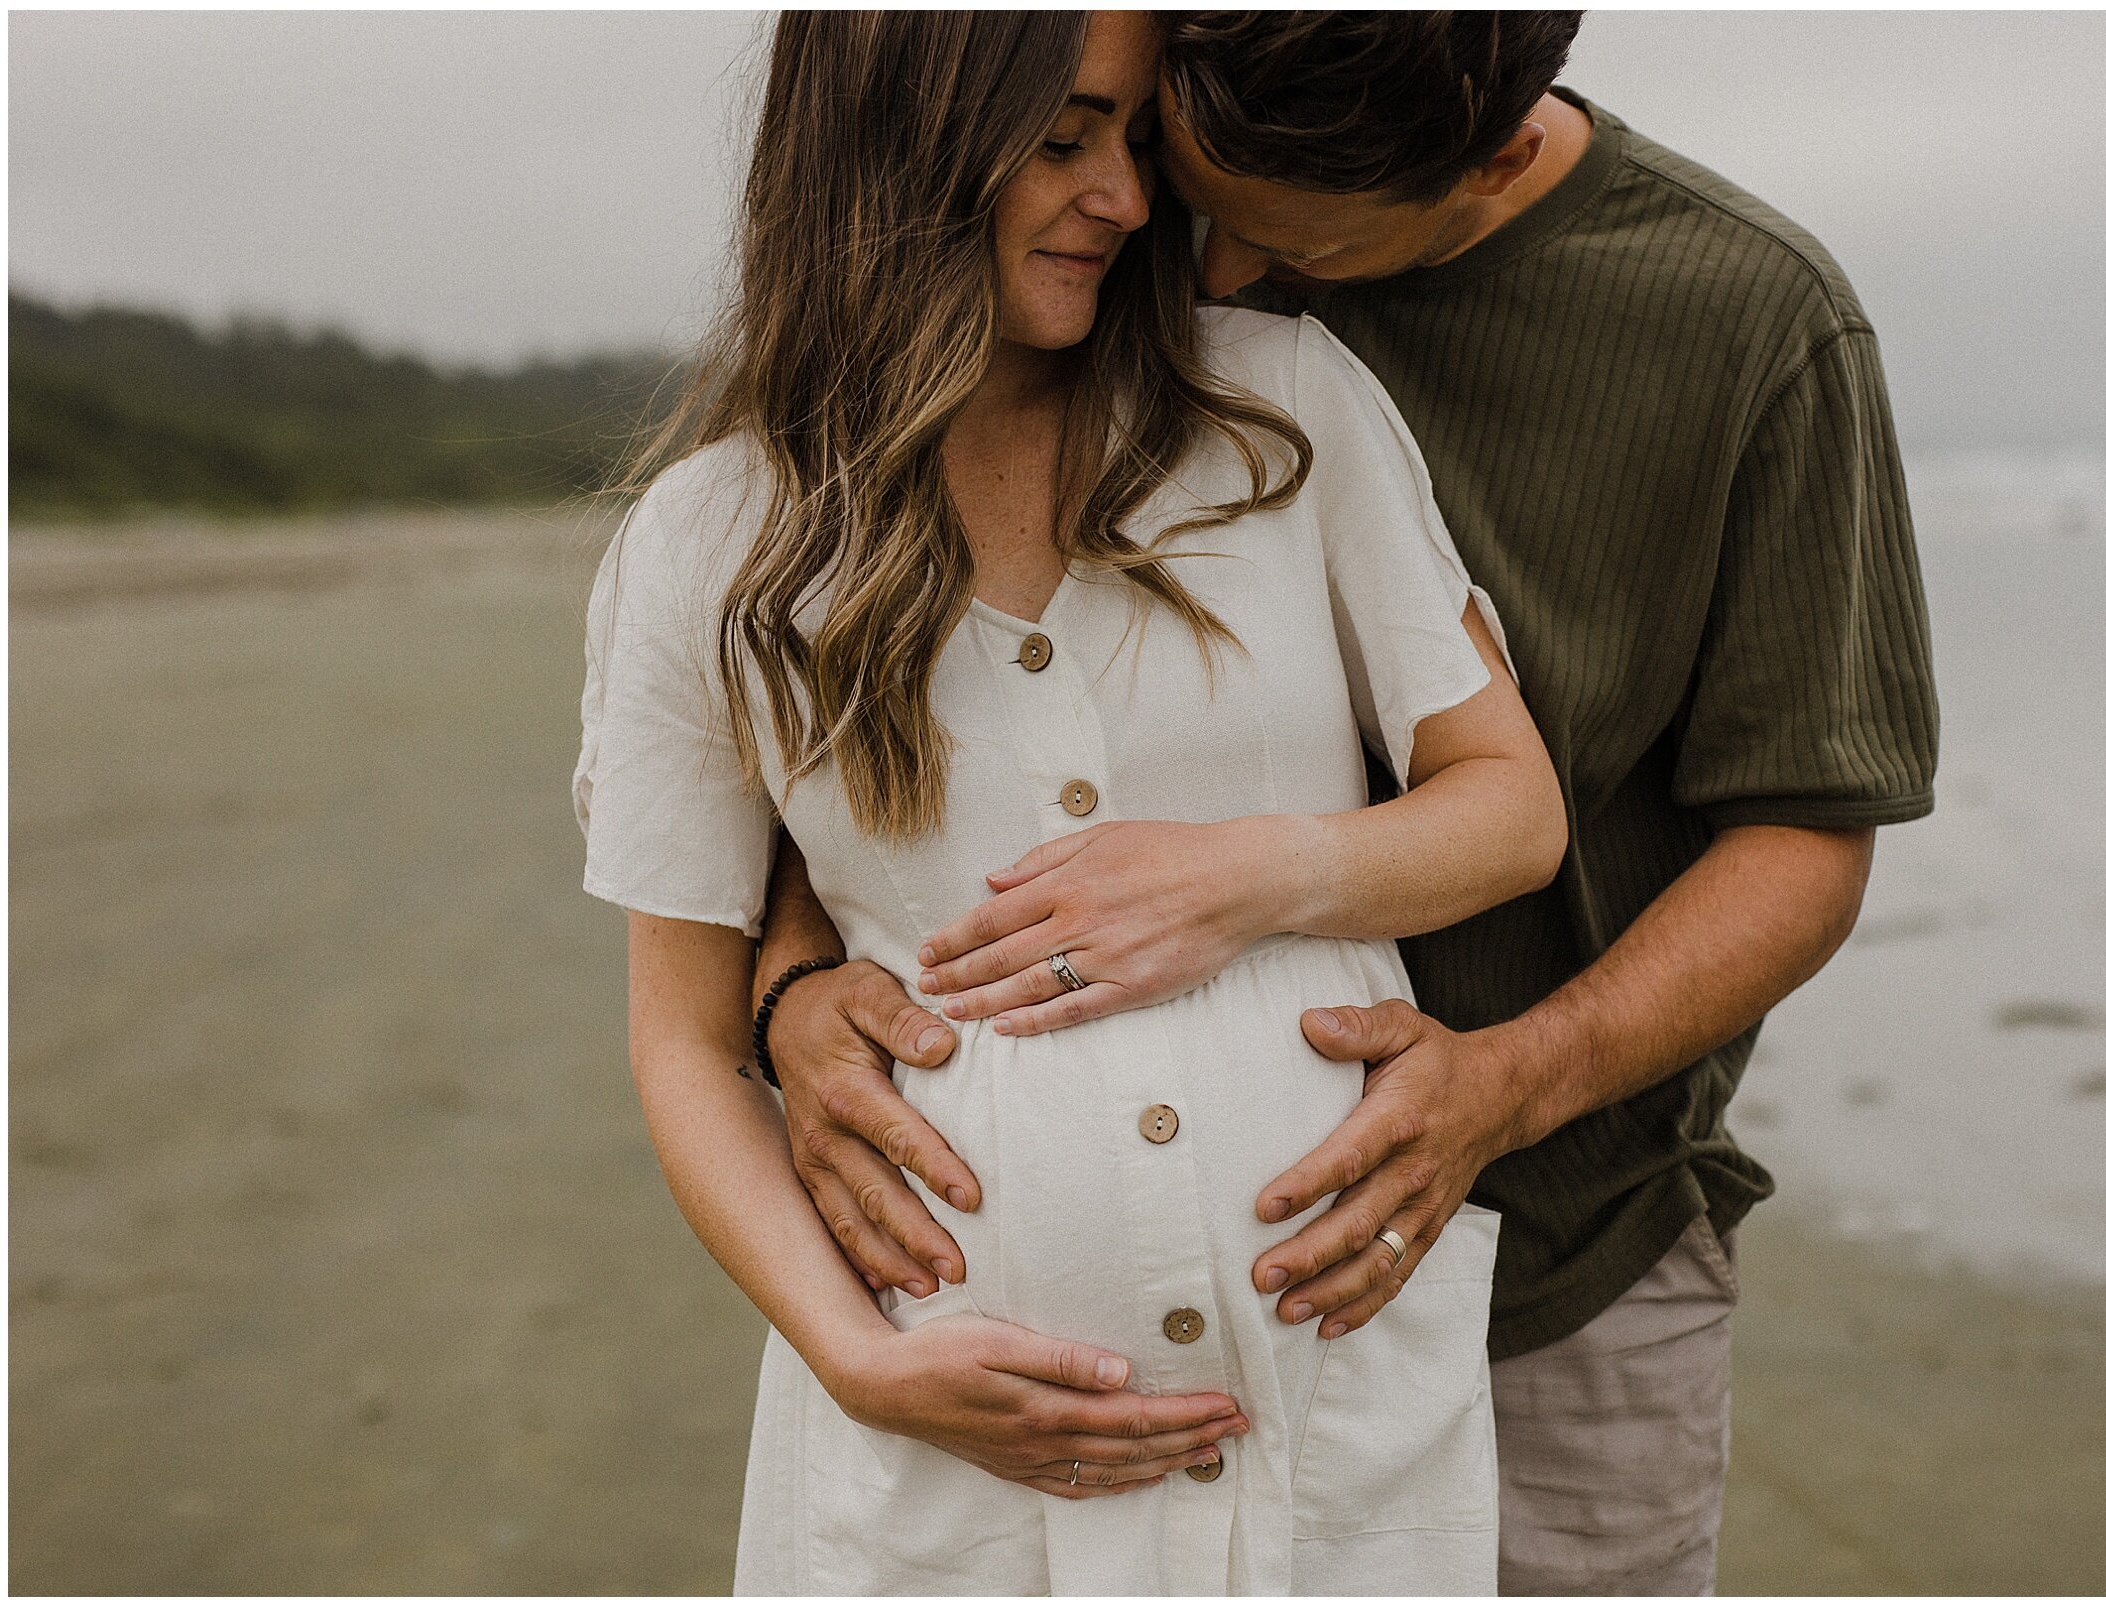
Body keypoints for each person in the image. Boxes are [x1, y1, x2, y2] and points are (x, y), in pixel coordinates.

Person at [751, 10, 1940, 1597]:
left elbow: (1805, 838)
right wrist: (791, 987)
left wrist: (1512, 1081)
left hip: (1571, 1256)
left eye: (1284, 242)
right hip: (1103, 1315)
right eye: (1195, 191)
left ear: (1496, 158)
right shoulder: (1117, 217)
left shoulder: (1754, 323)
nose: (1209, 272)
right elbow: (886, 702)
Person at [575, 10, 1568, 1595]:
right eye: (1065, 139)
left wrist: (1253, 875)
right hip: (949, 1461)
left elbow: (1512, 809)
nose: (1126, 193)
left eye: (1132, 137)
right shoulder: (714, 546)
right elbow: (682, 1039)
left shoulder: (1283, 407)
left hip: (1325, 1428)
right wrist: (851, 1358)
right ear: (901, 142)